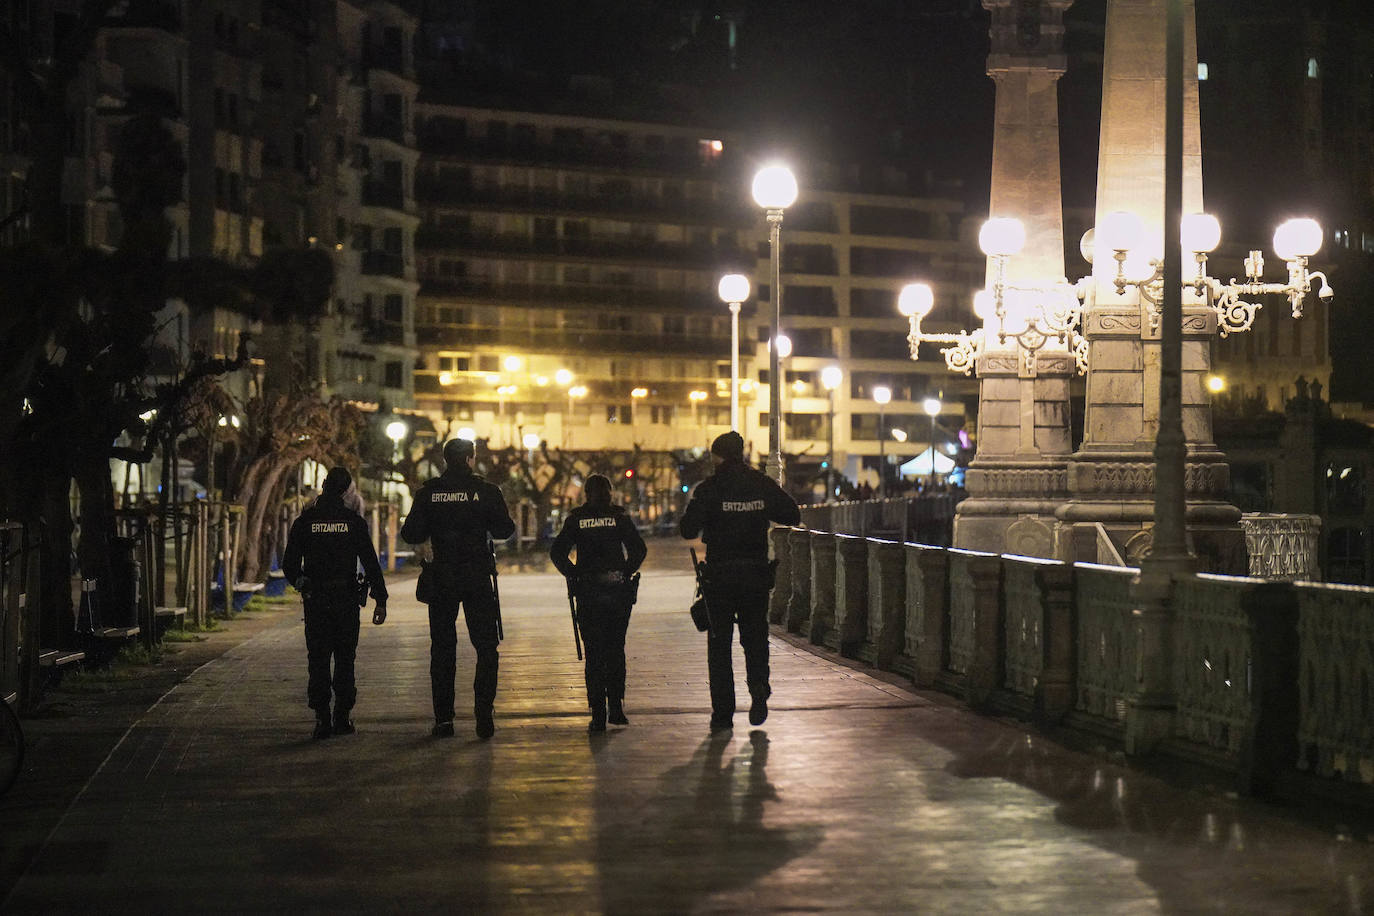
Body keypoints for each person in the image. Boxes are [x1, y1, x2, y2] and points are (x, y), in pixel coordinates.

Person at [679, 432, 800, 731]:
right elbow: (792, 514)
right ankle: (758, 688)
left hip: (720, 578)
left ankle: (723, 713)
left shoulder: (710, 488)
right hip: (755, 576)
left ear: (717, 457)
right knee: (755, 639)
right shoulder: (760, 483)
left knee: (719, 645)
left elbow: (687, 530)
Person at [401, 438, 516, 739]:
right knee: (486, 646)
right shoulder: (486, 491)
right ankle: (483, 714)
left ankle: (444, 719)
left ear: (445, 459)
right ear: (469, 459)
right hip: (476, 576)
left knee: (442, 649)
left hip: (442, 579)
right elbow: (506, 529)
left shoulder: (429, 493)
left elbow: (410, 532)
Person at [281, 466, 388, 740]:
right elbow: (371, 563)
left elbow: (289, 564)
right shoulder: (353, 522)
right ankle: (342, 716)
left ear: (325, 484)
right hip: (346, 601)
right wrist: (380, 598)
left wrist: (302, 584)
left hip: (316, 600)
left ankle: (321, 718)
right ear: (345, 490)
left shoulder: (306, 522)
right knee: (344, 659)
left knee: (317, 659)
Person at [549, 474, 647, 733]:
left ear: (586, 494)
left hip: (588, 591)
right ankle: (616, 707)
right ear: (610, 493)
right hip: (617, 591)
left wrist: (573, 574)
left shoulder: (577, 519)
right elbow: (639, 549)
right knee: (615, 648)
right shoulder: (620, 518)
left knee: (593, 652)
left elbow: (557, 552)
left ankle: (598, 713)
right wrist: (625, 572)